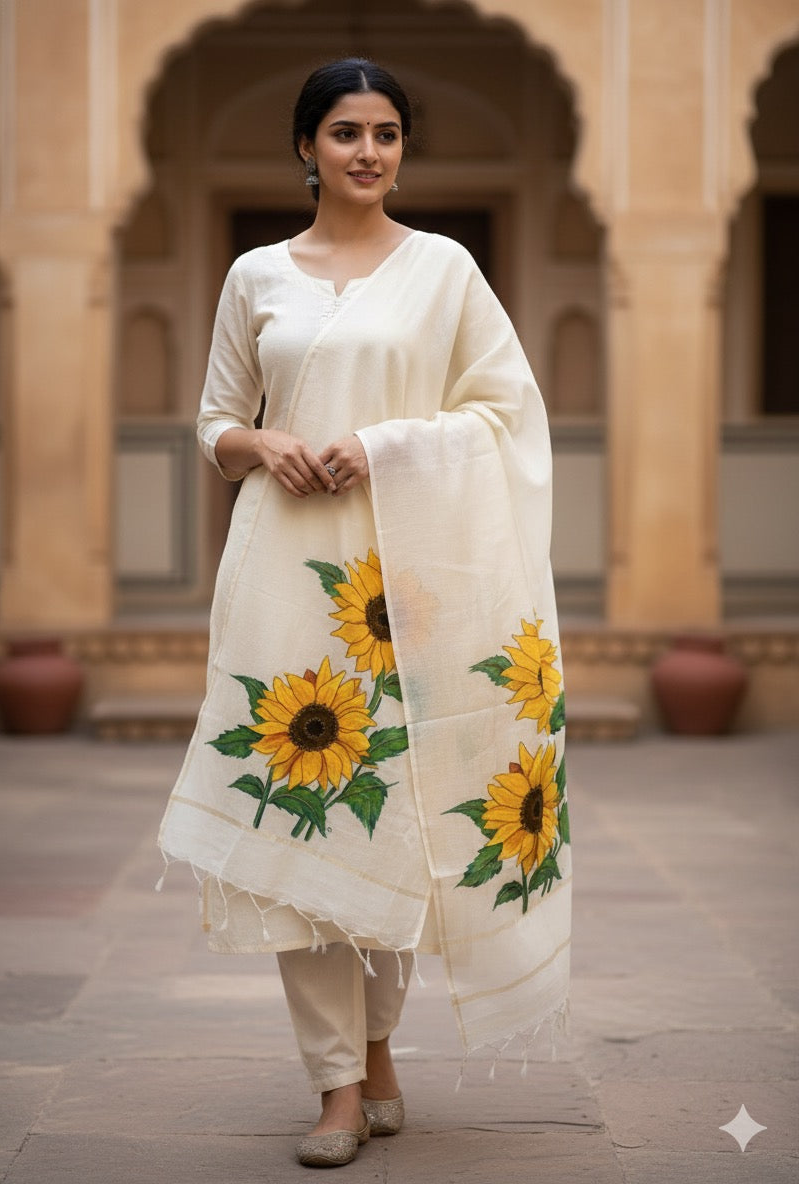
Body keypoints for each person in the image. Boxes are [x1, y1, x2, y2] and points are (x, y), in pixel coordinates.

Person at [158, 58, 571, 1170]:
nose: (369, 151)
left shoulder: (444, 270)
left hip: (401, 580)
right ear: (307, 147)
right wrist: (265, 442)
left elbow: (503, 410)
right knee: (303, 816)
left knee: (395, 816)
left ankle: (380, 1050)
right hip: (283, 571)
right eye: (346, 131)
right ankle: (337, 1084)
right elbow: (212, 420)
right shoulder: (257, 275)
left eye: (387, 132)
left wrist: (382, 444)